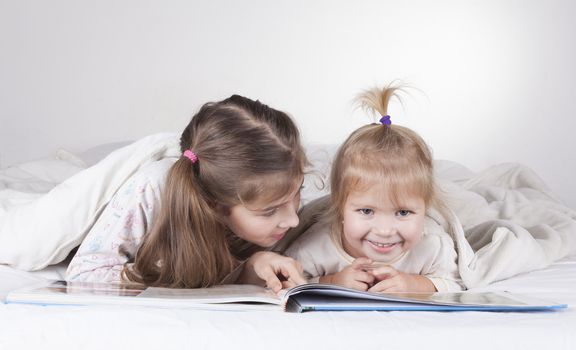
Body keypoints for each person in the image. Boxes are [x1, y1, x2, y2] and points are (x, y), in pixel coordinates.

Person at [66, 94, 308, 292]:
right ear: (214, 204)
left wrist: (251, 267)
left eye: (298, 192)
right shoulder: (152, 188)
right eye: (270, 211)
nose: (293, 220)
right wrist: (183, 273)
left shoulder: (266, 195)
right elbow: (85, 273)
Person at [285, 85, 463, 293]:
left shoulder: (432, 245)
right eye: (367, 211)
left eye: (403, 212)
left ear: (425, 207)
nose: (385, 231)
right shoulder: (315, 247)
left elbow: (455, 284)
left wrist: (412, 284)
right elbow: (291, 282)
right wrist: (332, 282)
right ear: (341, 207)